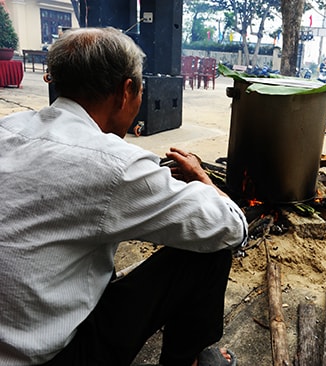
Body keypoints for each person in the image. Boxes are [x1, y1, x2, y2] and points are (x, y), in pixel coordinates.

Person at [0, 27, 247, 366]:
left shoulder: (7, 129)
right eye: (141, 88)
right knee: (210, 249)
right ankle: (184, 361)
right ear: (126, 90)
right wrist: (201, 179)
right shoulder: (114, 164)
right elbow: (231, 227)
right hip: (51, 357)